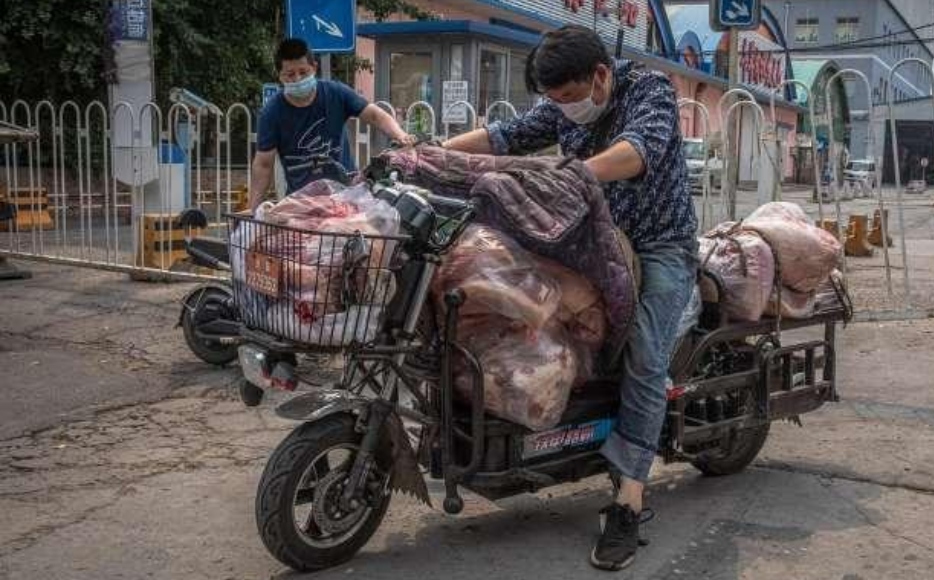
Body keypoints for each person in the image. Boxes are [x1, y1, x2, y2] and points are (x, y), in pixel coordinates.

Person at [442, 25, 698, 571]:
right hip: (589, 242)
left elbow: (636, 151)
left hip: (658, 246)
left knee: (646, 358)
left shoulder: (649, 91)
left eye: (567, 98)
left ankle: (628, 500)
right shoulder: (563, 106)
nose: (561, 110)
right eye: (553, 101)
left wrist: (570, 174)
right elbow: (504, 137)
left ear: (601, 77)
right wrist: (428, 154)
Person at [250, 38, 415, 209]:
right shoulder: (272, 112)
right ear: (280, 76)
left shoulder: (335, 94)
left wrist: (400, 135)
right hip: (302, 204)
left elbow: (375, 115)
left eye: (303, 72)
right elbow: (263, 164)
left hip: (346, 195)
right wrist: (253, 210)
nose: (297, 79)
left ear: (314, 68)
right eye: (290, 75)